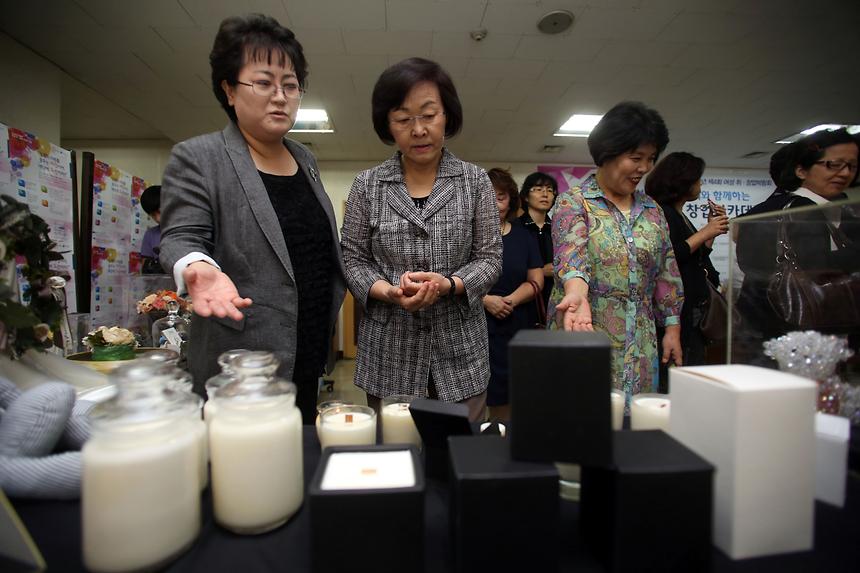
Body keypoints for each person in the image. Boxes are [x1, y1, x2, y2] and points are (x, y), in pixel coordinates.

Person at [159, 14, 346, 423]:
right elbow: (180, 235)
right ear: (229, 89)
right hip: (244, 366)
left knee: (297, 460)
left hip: (308, 352)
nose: (280, 96)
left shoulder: (305, 158)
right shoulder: (199, 157)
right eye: (263, 82)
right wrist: (197, 266)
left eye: (290, 85)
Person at [340, 57, 502, 423]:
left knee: (459, 460)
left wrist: (451, 284)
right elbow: (351, 260)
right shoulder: (368, 185)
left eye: (429, 115)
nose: (418, 129)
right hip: (389, 353)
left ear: (447, 116)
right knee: (395, 460)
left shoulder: (475, 182)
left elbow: (490, 258)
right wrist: (386, 291)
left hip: (460, 352)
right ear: (388, 125)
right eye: (403, 118)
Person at [549, 101, 683, 408]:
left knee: (638, 426)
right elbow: (572, 256)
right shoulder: (574, 202)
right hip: (587, 334)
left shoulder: (652, 210)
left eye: (650, 158)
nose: (644, 168)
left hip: (642, 344)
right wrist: (576, 295)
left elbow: (667, 273)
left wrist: (672, 328)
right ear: (607, 152)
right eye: (636, 158)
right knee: (586, 421)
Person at [734, 128, 860, 361]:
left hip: (766, 324)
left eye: (851, 166)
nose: (844, 173)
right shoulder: (802, 211)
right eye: (833, 165)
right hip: (790, 326)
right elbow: (817, 269)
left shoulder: (768, 208)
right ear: (801, 169)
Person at [645, 152, 728, 382]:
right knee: (682, 369)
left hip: (694, 305)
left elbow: (694, 257)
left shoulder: (680, 215)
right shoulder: (663, 213)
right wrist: (705, 232)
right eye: (697, 179)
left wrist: (710, 234)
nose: (701, 185)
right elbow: (669, 256)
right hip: (679, 308)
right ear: (683, 181)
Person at [483, 168, 543, 421]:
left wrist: (509, 301)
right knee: (478, 398)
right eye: (486, 197)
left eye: (500, 197)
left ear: (510, 200)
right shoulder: (466, 236)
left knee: (512, 396)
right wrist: (486, 300)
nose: (494, 204)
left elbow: (536, 280)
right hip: (477, 325)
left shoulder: (525, 237)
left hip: (517, 323)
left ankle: (504, 444)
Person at [518, 172, 558, 312]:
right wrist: (541, 272)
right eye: (538, 189)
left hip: (554, 300)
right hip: (521, 301)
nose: (545, 194)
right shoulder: (515, 228)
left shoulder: (559, 229)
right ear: (526, 196)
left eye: (549, 190)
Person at [139, 185, 163, 274]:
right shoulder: (150, 234)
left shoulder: (186, 229)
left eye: (160, 212)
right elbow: (145, 267)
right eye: (153, 215)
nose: (157, 219)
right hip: (161, 286)